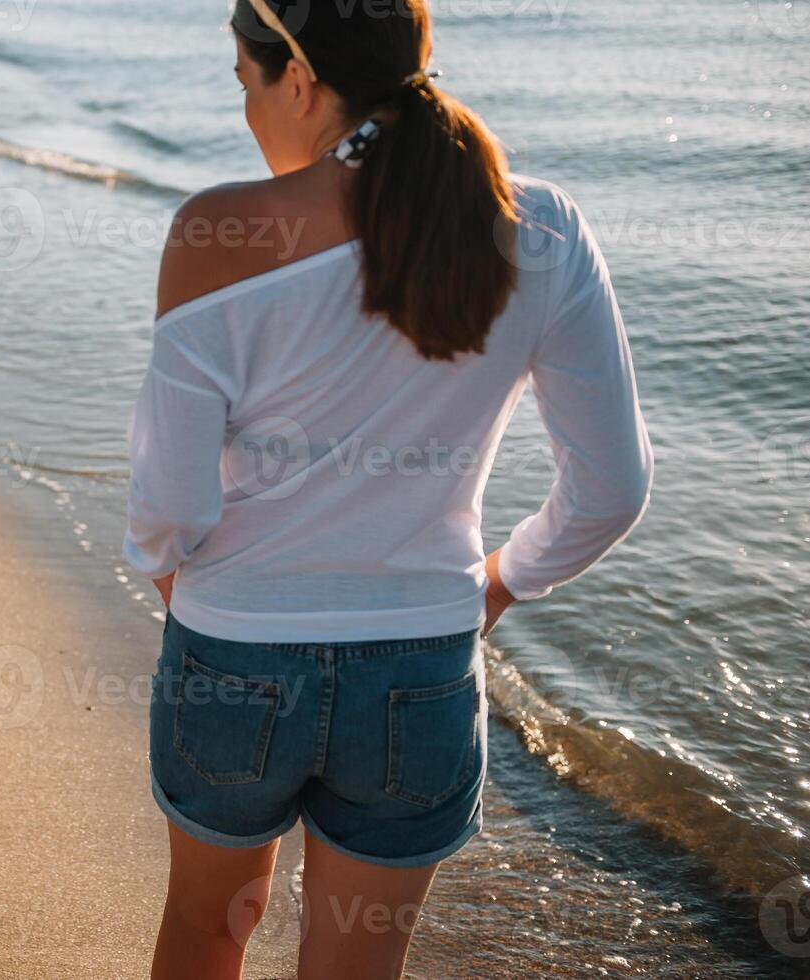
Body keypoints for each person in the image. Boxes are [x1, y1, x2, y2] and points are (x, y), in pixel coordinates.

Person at [123, 1, 653, 977]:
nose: (249, 114)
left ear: (298, 79)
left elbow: (168, 506)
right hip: (421, 670)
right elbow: (612, 489)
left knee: (208, 933)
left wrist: (182, 591)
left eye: (246, 86)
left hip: (235, 648)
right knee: (355, 960)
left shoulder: (218, 230)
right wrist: (497, 585)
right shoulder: (541, 228)